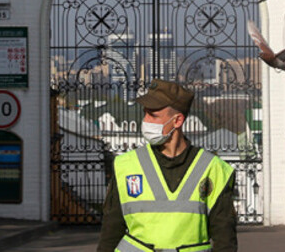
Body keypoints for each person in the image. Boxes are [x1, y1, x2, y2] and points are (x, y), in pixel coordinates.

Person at [97, 79, 237, 252]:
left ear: (177, 121)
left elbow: (225, 238)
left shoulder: (212, 169)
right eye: (145, 113)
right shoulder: (126, 165)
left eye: (153, 115)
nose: (146, 121)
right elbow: (111, 229)